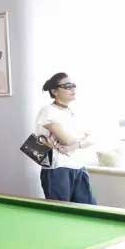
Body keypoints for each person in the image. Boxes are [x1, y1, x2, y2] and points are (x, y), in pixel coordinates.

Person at [36, 73, 95, 204]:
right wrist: (82, 137)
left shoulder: (73, 112)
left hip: (79, 167)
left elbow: (92, 138)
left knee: (89, 210)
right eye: (68, 86)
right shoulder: (48, 110)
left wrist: (75, 145)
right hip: (58, 169)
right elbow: (66, 140)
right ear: (54, 91)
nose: (73, 89)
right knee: (60, 211)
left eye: (74, 85)